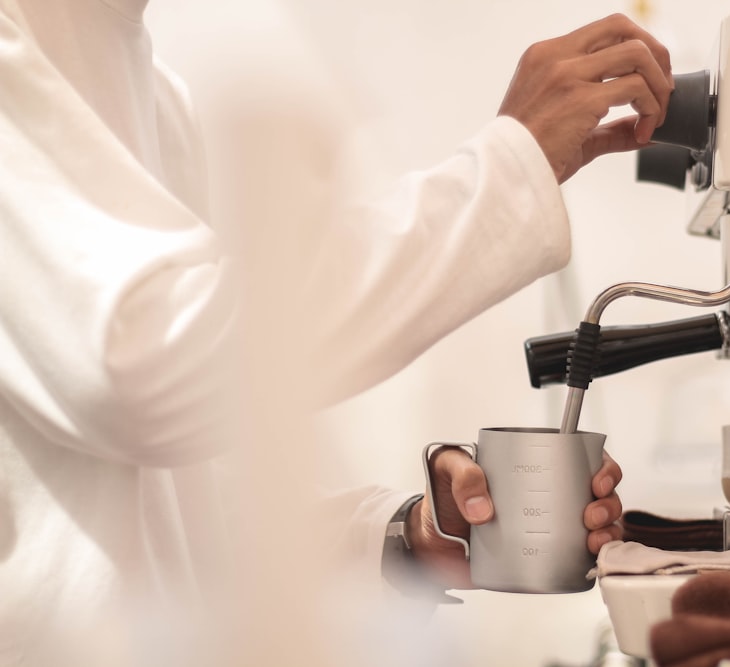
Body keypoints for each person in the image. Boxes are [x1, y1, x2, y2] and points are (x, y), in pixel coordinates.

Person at [0, 0, 673, 662]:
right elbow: (140, 369)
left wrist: (398, 535)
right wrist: (508, 170)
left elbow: (189, 507)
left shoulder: (155, 93)